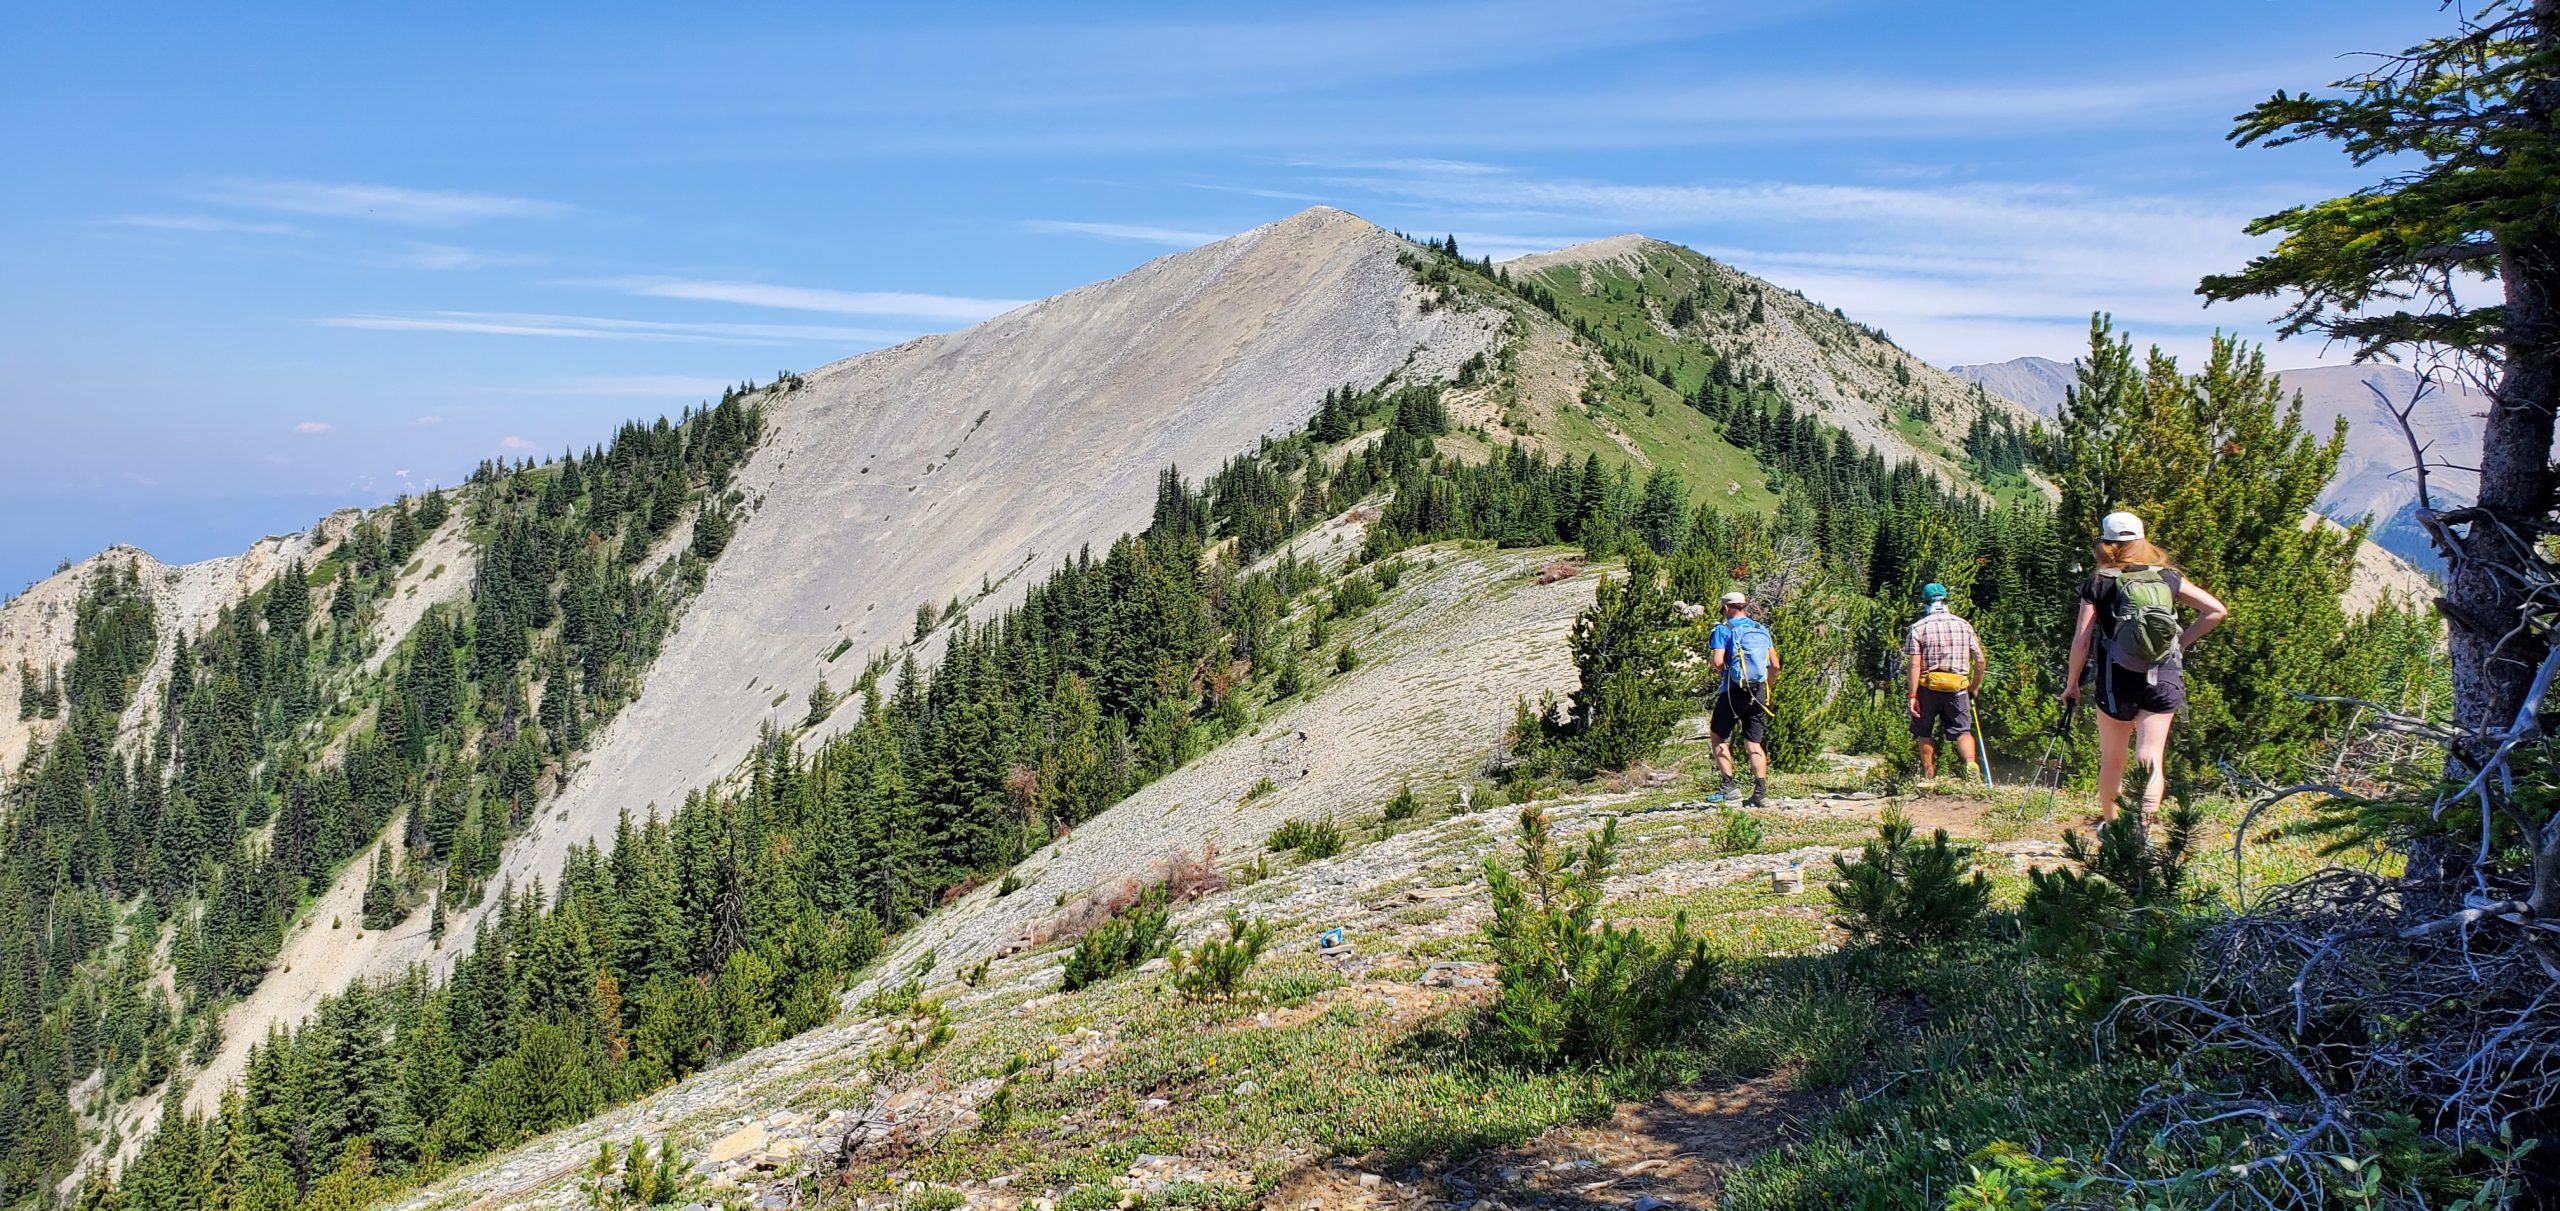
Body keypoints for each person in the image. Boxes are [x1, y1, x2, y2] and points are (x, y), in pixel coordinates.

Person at [2061, 511, 2228, 825]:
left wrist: (2072, 684)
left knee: (2113, 761)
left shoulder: (2099, 581)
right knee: (2150, 757)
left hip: (2117, 678)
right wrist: (2180, 643)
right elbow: (2216, 611)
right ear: (2141, 540)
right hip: (2164, 675)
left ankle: (2113, 829)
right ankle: (2143, 831)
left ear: (2106, 543)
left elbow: (2081, 641)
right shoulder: (2167, 577)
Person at [1904, 582, 1988, 786]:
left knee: (1924, 731)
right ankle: (1969, 764)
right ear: (1946, 600)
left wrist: (1913, 695)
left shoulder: (1918, 628)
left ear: (1925, 603)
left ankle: (1929, 774)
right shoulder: (1964, 625)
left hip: (1928, 687)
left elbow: (1915, 664)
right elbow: (1980, 661)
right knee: (1963, 731)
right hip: (1957, 687)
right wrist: (1974, 687)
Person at [1706, 589, 1780, 808]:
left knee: (1718, 736)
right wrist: (1767, 686)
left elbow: (1718, 661)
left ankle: (1729, 787)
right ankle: (1761, 792)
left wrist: (1722, 673)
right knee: (1754, 742)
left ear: (1727, 607)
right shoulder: (1761, 629)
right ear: (1745, 606)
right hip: (1758, 691)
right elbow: (1774, 665)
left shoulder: (1723, 629)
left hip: (1733, 690)